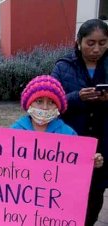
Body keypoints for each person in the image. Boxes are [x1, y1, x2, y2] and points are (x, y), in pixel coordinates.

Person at [51, 18, 108, 226]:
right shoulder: (63, 67)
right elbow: (51, 103)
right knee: (66, 191)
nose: (96, 49)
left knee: (95, 193)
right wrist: (77, 97)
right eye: (90, 43)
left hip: (103, 143)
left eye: (102, 43)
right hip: (71, 143)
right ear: (78, 41)